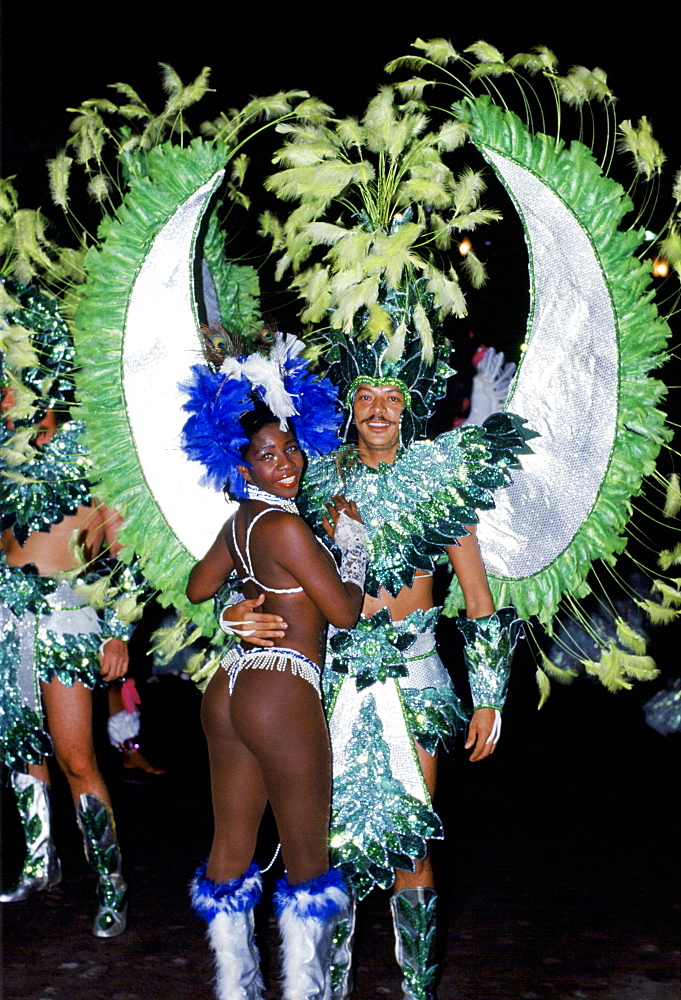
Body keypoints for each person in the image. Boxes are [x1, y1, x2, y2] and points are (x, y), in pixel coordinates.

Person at [224, 373, 525, 1000]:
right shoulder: (316, 480)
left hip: (415, 681)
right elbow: (258, 563)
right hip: (330, 682)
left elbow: (476, 599)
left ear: (410, 403)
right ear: (351, 409)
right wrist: (235, 614)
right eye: (365, 396)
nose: (379, 409)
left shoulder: (444, 481)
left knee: (411, 843)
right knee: (323, 842)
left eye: (392, 394)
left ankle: (418, 989)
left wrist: (490, 695)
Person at [186, 401, 368, 1000]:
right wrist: (355, 542)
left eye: (290, 448)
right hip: (280, 692)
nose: (286, 462)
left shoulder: (241, 520)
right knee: (307, 862)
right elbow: (343, 612)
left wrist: (234, 611)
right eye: (267, 455)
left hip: (230, 687)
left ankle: (236, 991)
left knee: (229, 850)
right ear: (242, 465)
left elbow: (198, 586)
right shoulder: (286, 527)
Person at [0, 399, 132, 937]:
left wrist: (119, 629)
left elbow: (128, 550)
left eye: (13, 381)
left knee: (77, 757)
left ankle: (110, 881)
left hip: (66, 617)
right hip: (7, 619)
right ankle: (38, 861)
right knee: (20, 747)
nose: (5, 395)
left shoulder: (94, 458)